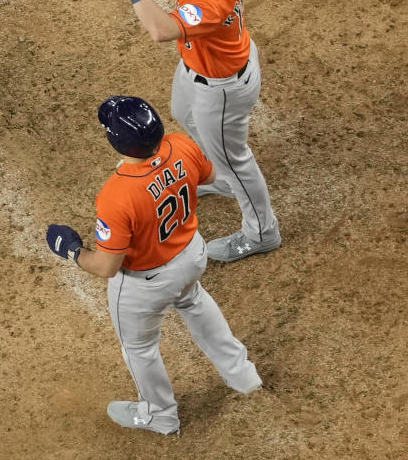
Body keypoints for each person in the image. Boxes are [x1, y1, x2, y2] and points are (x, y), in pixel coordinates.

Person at [45, 96, 262, 434]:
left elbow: (106, 266)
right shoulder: (181, 145)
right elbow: (208, 175)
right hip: (191, 254)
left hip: (146, 283)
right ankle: (243, 375)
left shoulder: (117, 196)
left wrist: (73, 251)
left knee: (139, 348)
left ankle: (160, 414)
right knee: (195, 302)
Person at [101, 0, 281, 263]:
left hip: (220, 85)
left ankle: (261, 232)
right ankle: (222, 174)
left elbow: (160, 29)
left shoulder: (210, 0)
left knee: (236, 159)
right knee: (183, 112)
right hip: (202, 64)